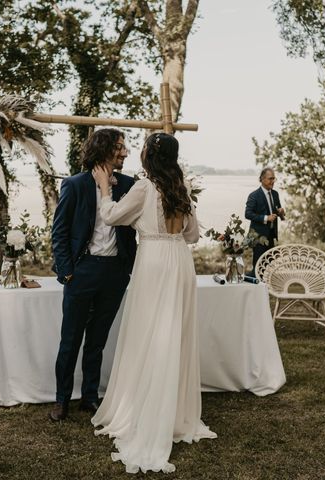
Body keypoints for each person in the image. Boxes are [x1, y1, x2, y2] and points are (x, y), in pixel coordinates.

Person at [90, 133, 216, 474]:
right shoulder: (180, 186)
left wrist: (104, 187)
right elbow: (192, 235)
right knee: (174, 332)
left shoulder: (146, 187)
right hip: (179, 260)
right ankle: (176, 412)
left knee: (149, 333)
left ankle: (146, 410)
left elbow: (112, 216)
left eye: (142, 148)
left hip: (154, 261)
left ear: (149, 156)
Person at [50, 128, 137, 421]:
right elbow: (59, 232)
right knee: (70, 339)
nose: (125, 152)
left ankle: (89, 397)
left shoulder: (129, 184)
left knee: (97, 340)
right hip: (82, 271)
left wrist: (126, 270)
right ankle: (61, 400)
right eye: (120, 147)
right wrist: (67, 273)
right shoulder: (74, 185)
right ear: (104, 149)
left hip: (114, 273)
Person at [245, 167, 285, 276]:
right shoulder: (254, 195)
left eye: (274, 179)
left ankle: (263, 291)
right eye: (270, 179)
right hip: (257, 237)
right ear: (262, 179)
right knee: (257, 268)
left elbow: (279, 214)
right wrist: (266, 218)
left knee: (266, 268)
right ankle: (251, 286)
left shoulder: (275, 194)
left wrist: (281, 213)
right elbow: (247, 214)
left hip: (271, 237)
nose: (272, 181)